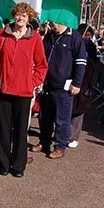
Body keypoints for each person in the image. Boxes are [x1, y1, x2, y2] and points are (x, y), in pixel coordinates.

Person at [0, 3, 48, 177]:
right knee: (3, 129)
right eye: (18, 15)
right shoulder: (2, 35)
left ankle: (18, 165)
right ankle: (2, 163)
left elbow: (42, 65)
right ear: (13, 16)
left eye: (24, 16)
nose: (20, 18)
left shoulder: (35, 39)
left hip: (23, 92)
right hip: (3, 90)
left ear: (29, 18)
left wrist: (31, 82)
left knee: (20, 129)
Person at [32, 21, 87, 159]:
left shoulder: (75, 37)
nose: (51, 26)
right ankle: (44, 142)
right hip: (47, 84)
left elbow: (81, 62)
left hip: (64, 86)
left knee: (62, 118)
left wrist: (77, 83)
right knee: (45, 117)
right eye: (50, 23)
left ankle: (60, 145)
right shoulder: (49, 35)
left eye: (54, 23)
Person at [69, 24, 98, 149]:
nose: (87, 36)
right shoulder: (73, 42)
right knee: (68, 106)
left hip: (85, 81)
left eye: (89, 35)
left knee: (79, 108)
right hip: (70, 78)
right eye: (85, 34)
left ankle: (73, 136)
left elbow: (92, 63)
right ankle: (65, 132)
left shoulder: (90, 46)